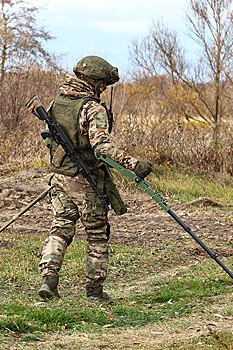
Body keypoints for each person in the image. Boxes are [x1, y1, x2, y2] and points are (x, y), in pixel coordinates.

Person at [37, 56, 153, 302]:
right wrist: (135, 165)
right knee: (97, 235)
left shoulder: (56, 102)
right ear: (95, 82)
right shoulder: (93, 109)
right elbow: (102, 149)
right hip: (86, 181)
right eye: (103, 84)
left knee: (60, 228)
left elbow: (49, 139)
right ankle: (94, 292)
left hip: (59, 179)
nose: (103, 89)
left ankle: (48, 280)